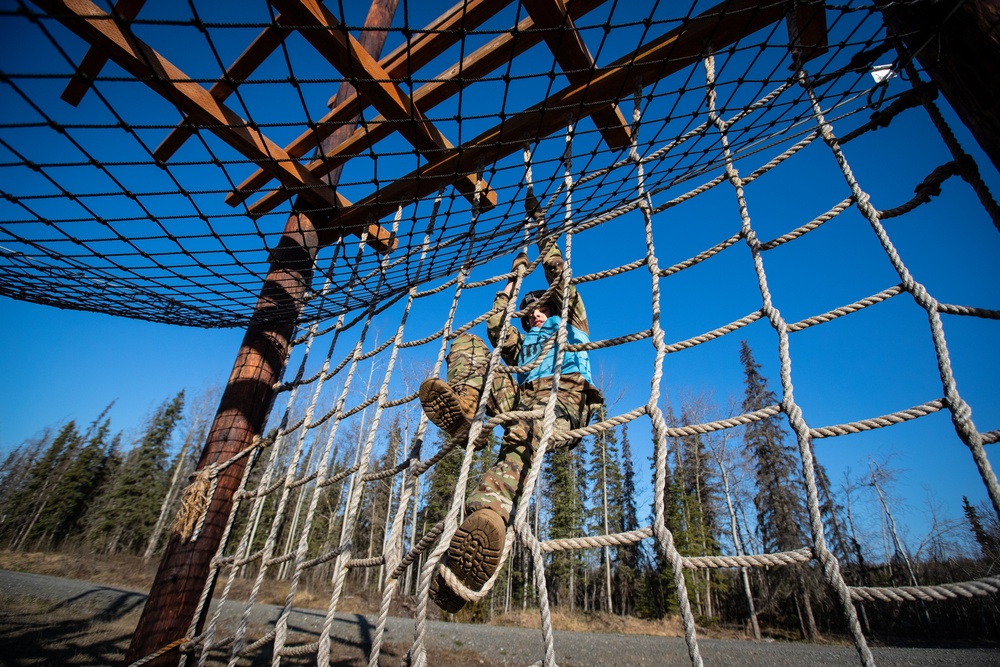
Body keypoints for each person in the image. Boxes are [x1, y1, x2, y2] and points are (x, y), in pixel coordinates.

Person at [418, 204, 604, 612]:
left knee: (518, 441)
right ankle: (469, 418)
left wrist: (541, 232)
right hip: (521, 407)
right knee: (469, 345)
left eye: (541, 307)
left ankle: (483, 524)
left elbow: (560, 274)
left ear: (554, 308)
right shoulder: (523, 342)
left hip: (560, 404)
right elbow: (495, 328)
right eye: (530, 309)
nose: (534, 313)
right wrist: (511, 284)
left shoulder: (571, 324)